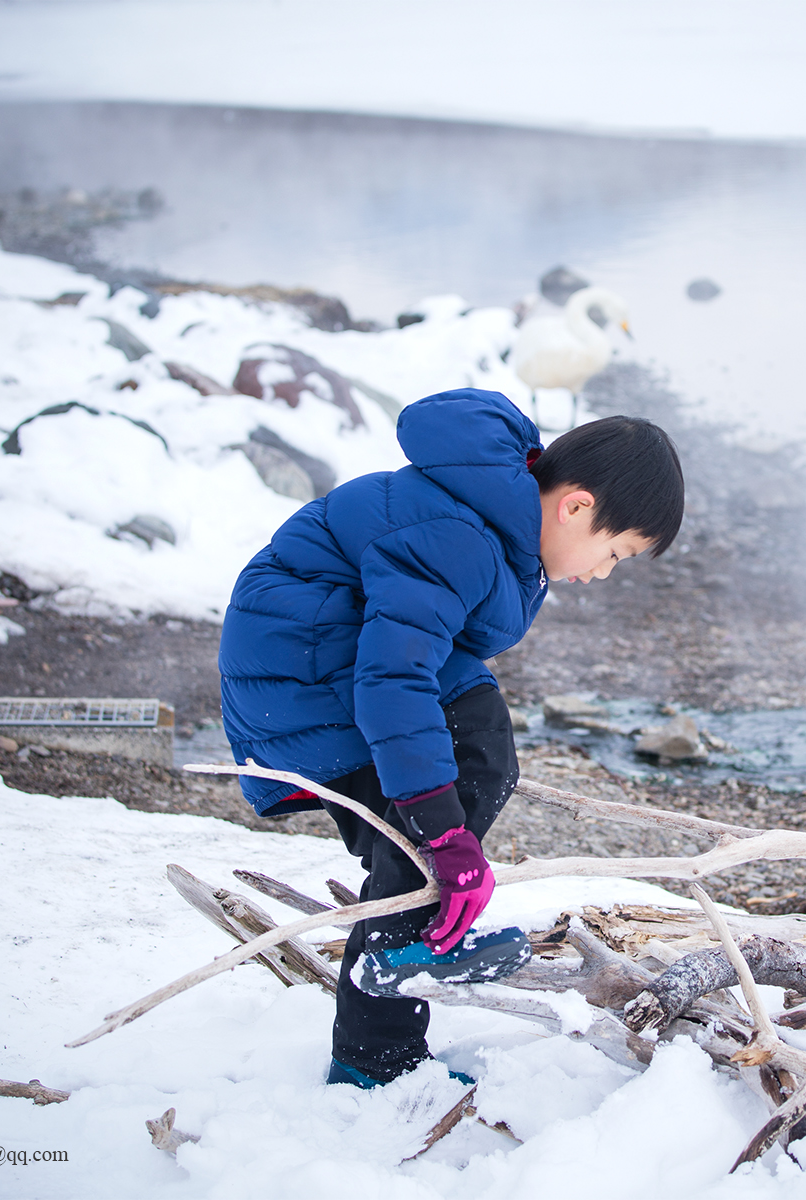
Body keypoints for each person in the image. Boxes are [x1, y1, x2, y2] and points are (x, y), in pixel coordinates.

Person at [218, 387, 684, 1088]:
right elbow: (393, 679)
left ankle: (394, 987)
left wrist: (437, 830)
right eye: (614, 552)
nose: (602, 573)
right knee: (449, 773)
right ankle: (392, 994)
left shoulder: (499, 522)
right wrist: (446, 834)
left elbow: (418, 654)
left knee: (472, 755)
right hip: (303, 670)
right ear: (577, 506)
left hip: (334, 653)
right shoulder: (463, 534)